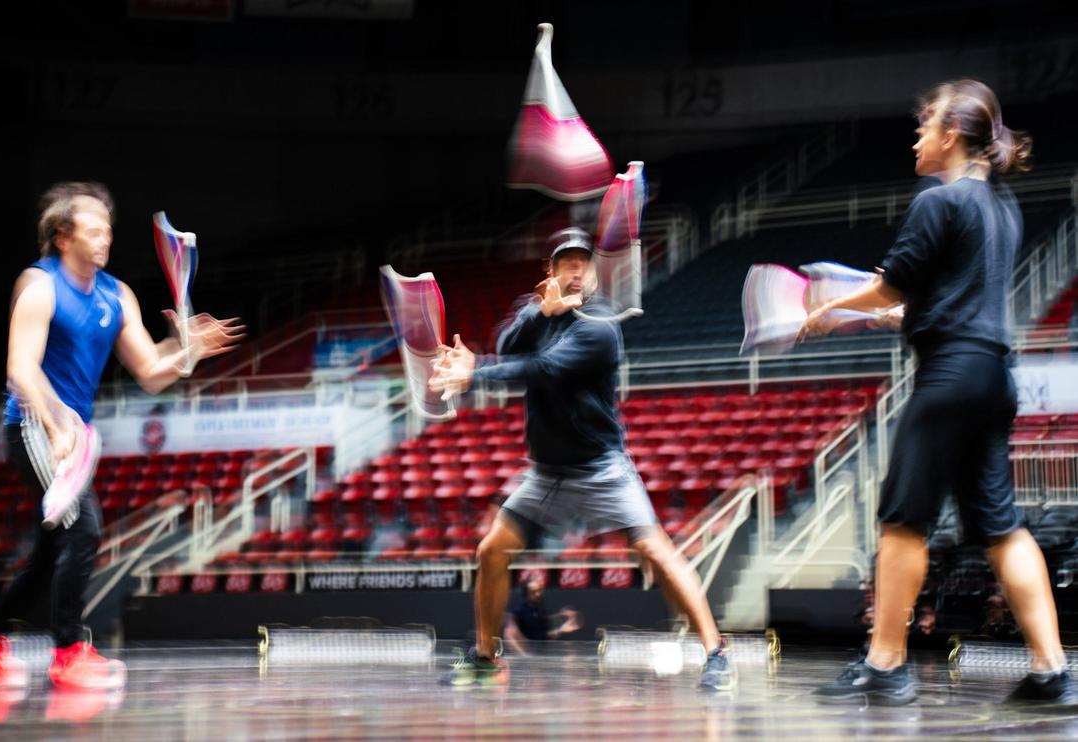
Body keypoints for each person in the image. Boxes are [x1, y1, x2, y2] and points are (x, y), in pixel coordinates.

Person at [803, 80, 1074, 706]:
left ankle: (886, 664)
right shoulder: (1002, 206)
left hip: (948, 377)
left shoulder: (936, 199)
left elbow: (891, 287)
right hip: (992, 376)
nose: (916, 137)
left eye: (924, 126)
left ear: (951, 135)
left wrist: (827, 308)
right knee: (1002, 528)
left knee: (903, 520)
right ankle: (1053, 670)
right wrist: (904, 315)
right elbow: (948, 298)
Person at [0, 182, 243, 690]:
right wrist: (55, 426)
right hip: (32, 422)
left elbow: (153, 372)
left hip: (75, 432)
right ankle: (69, 653)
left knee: (52, 554)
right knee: (85, 527)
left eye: (108, 229)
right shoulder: (40, 285)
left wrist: (189, 350)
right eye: (94, 230)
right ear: (63, 236)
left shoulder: (118, 294)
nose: (105, 237)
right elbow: (20, 368)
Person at [430, 227, 734, 690]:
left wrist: (478, 371)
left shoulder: (600, 327)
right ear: (549, 272)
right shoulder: (538, 312)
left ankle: (716, 654)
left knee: (654, 549)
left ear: (593, 273)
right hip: (547, 473)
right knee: (491, 550)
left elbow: (543, 369)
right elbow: (509, 345)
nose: (576, 270)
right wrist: (538, 313)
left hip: (601, 469)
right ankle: (487, 658)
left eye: (583, 263)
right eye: (566, 263)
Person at [503, 577, 582, 655]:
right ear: (526, 594)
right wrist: (525, 657)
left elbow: (544, 638)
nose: (538, 594)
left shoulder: (541, 612)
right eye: (533, 592)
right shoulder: (518, 612)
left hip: (541, 657)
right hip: (527, 661)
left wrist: (561, 630)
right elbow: (509, 636)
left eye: (539, 590)